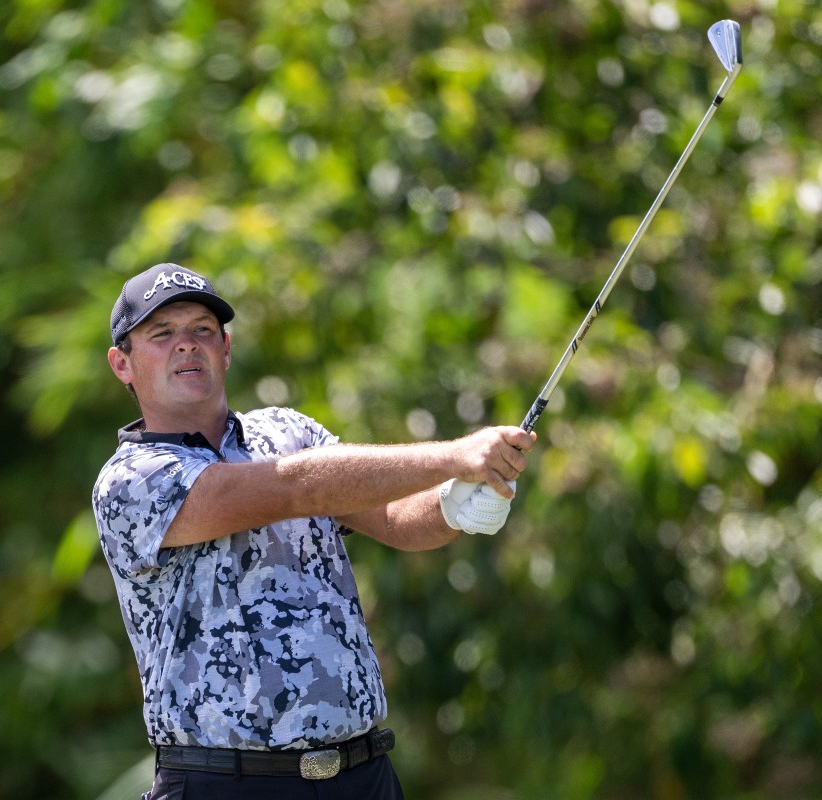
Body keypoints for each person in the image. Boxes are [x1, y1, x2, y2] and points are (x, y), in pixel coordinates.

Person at [91, 262, 535, 799]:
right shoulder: (129, 480)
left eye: (202, 330)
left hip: (362, 775)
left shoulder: (287, 430)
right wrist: (457, 456)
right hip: (225, 784)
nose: (186, 344)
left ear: (225, 348)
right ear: (122, 363)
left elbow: (397, 520)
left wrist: (457, 503)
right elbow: (297, 488)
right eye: (162, 334)